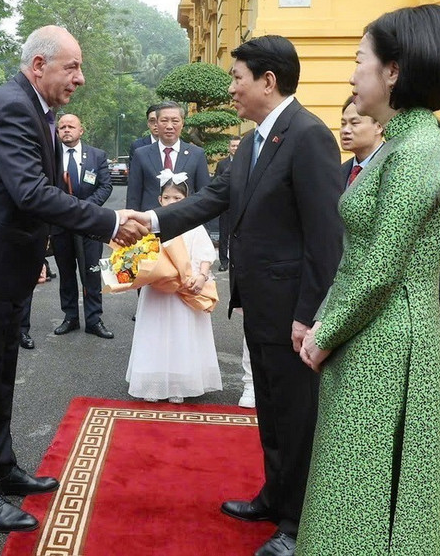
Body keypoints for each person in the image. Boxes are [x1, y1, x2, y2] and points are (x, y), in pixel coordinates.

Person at [0, 25, 147, 534]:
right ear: (38, 66)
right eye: (71, 66)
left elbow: (33, 194)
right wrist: (111, 222)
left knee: (2, 373)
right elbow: (30, 192)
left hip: (6, 263)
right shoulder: (12, 107)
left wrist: (41, 251)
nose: (80, 77)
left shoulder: (36, 110)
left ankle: (1, 466)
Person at [137, 35, 344, 556]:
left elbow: (325, 239)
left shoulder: (309, 136)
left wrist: (310, 315)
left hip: (293, 311)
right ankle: (274, 497)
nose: (232, 89)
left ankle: (298, 524)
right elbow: (213, 198)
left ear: (267, 81)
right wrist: (153, 221)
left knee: (298, 417)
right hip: (259, 304)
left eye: (237, 78)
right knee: (272, 408)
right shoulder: (255, 141)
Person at [297, 4, 440, 555]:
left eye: (358, 60)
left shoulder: (416, 151)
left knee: (367, 486)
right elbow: (364, 257)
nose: (351, 75)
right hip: (376, 332)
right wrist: (325, 317)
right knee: (357, 479)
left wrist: (325, 332)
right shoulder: (401, 141)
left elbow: (380, 268)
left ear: (392, 70)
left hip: (389, 340)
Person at [126, 173, 221, 404]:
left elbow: (204, 252)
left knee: (182, 334)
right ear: (159, 200)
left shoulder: (194, 225)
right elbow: (140, 255)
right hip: (158, 291)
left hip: (184, 290)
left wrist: (200, 275)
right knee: (155, 334)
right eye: (167, 198)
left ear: (186, 200)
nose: (171, 202)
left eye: (177, 198)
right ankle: (153, 383)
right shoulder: (151, 227)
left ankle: (179, 383)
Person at [51, 113, 115, 339]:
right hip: (61, 224)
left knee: (91, 273)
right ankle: (70, 317)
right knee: (66, 273)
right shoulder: (50, 156)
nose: (66, 130)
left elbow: (105, 186)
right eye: (62, 127)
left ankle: (94, 319)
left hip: (89, 226)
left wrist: (85, 209)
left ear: (81, 131)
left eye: (71, 126)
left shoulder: (97, 156)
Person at [126, 101, 210, 212]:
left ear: (182, 123)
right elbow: (133, 197)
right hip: (150, 224)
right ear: (157, 123)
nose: (169, 126)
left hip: (187, 222)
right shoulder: (141, 154)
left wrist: (204, 228)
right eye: (164, 121)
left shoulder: (196, 154)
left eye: (175, 121)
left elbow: (204, 196)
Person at [338, 96, 383, 188]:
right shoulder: (341, 171)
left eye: (354, 123)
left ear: (379, 127)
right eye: (343, 124)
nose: (346, 130)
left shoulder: (392, 166)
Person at [213, 137, 240, 272]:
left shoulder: (246, 161)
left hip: (241, 205)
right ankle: (224, 261)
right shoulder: (222, 164)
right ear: (229, 148)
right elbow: (216, 183)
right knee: (224, 235)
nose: (235, 148)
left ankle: (238, 260)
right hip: (225, 206)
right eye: (233, 146)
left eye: (237, 146)